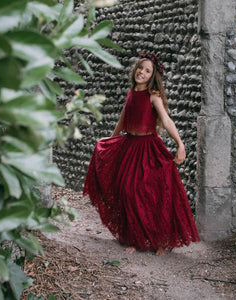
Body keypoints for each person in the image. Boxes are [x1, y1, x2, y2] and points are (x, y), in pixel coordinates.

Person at [83, 53, 200, 256]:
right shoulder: (131, 93)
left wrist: (180, 144)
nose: (142, 72)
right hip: (129, 145)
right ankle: (136, 239)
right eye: (141, 68)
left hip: (148, 147)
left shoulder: (153, 95)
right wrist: (110, 141)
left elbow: (166, 120)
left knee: (149, 193)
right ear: (135, 68)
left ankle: (160, 241)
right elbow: (122, 120)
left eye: (148, 71)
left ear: (152, 76)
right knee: (126, 190)